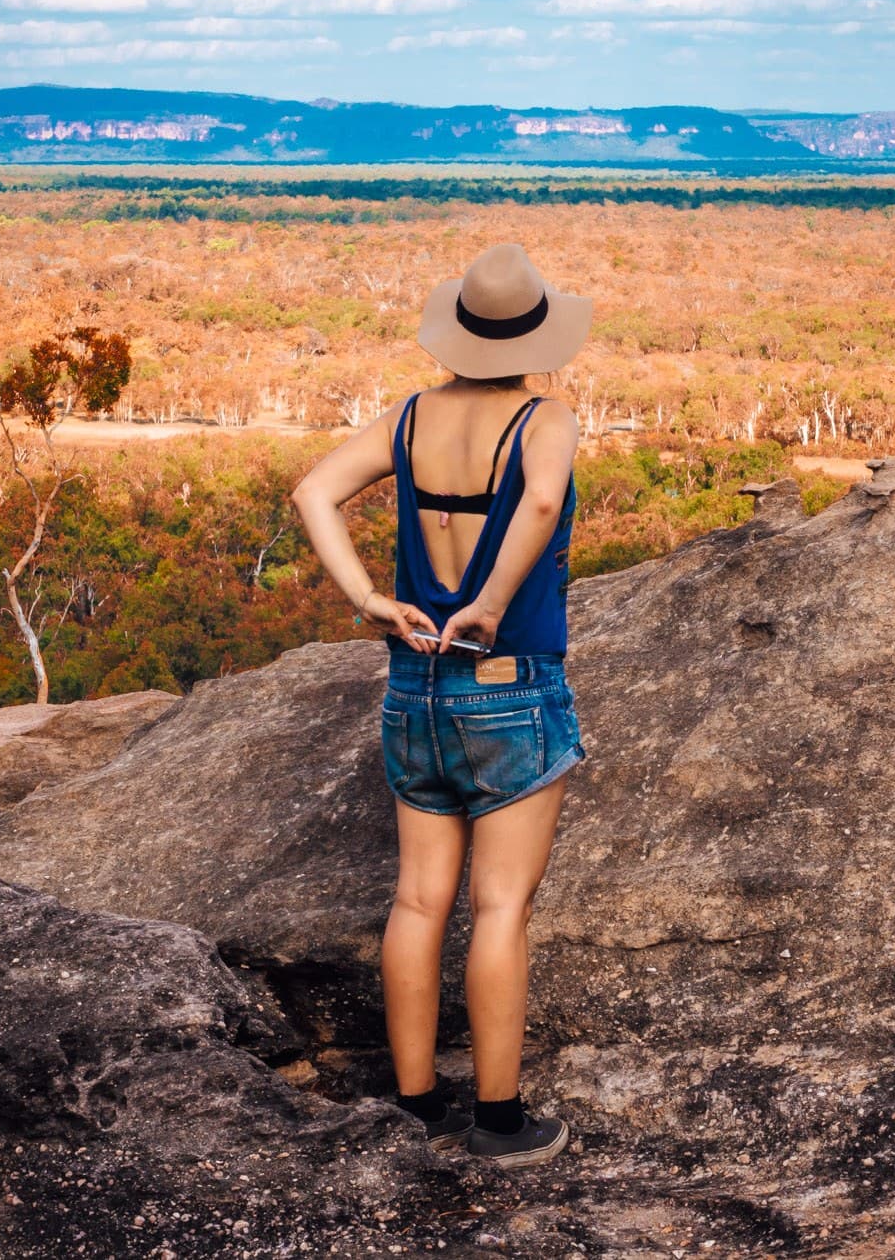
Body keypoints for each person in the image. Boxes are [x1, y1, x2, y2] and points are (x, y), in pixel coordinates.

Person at [289, 243, 591, 1168]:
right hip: (508, 682)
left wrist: (371, 600)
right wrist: (492, 604)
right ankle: (499, 1122)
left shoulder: (412, 416)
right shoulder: (546, 418)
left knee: (420, 900)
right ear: (535, 335)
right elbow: (539, 507)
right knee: (499, 906)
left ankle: (414, 1106)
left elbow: (313, 490)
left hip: (413, 683)